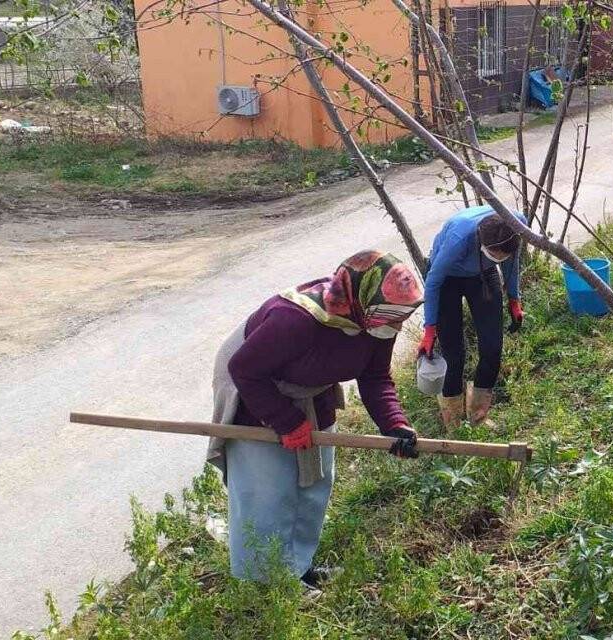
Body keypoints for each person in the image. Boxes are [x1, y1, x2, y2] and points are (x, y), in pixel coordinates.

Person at [207, 250, 423, 591]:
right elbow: (244, 370)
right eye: (390, 317)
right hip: (254, 389)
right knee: (268, 491)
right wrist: (286, 421)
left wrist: (394, 425)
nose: (395, 326)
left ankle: (299, 567)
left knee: (315, 482)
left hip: (311, 386)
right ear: (361, 298)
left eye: (401, 318)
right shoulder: (294, 319)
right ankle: (268, 584)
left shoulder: (375, 317)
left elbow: (375, 377)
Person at [416, 205, 526, 427]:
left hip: (482, 276)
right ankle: (453, 421)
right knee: (453, 354)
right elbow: (434, 281)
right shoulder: (460, 235)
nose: (499, 259)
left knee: (492, 347)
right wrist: (429, 330)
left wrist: (514, 299)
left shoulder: (515, 224)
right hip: (447, 279)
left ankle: (478, 415)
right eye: (494, 255)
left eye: (501, 258)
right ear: (481, 242)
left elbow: (512, 264)